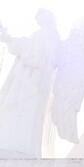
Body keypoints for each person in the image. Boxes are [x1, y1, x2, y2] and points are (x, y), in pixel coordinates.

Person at [0, 9, 61, 158]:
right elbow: (29, 48)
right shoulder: (43, 35)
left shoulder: (49, 36)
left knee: (25, 116)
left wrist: (8, 38)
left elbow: (35, 55)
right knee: (15, 114)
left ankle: (18, 146)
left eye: (41, 18)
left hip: (33, 86)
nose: (38, 22)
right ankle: (12, 144)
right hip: (26, 82)